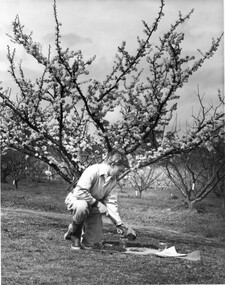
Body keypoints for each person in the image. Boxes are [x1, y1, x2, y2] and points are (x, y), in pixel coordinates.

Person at [64, 149, 136, 250]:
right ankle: (75, 236)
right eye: (120, 170)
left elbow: (111, 203)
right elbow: (79, 192)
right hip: (77, 200)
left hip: (93, 207)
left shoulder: (113, 181)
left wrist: (120, 225)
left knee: (92, 244)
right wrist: (97, 204)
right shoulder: (93, 170)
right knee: (82, 206)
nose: (121, 173)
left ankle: (73, 227)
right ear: (113, 164)